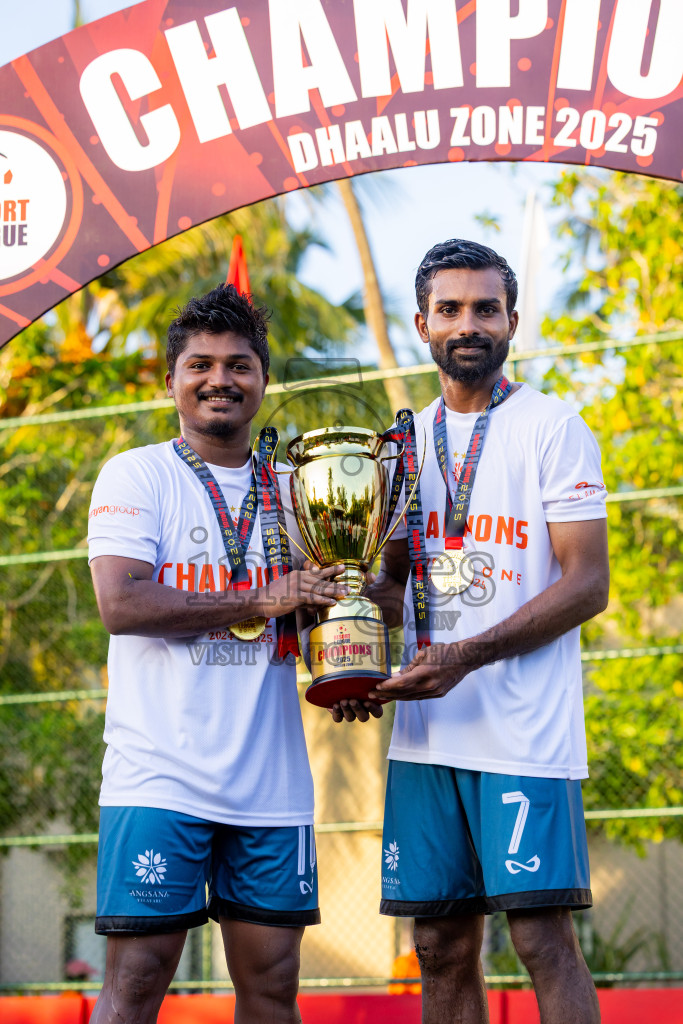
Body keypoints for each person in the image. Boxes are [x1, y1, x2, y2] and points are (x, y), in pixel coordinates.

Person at [333, 240, 608, 1024]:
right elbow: (387, 585)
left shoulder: (553, 426)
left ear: (512, 321)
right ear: (421, 323)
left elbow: (587, 583)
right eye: (449, 309)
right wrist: (352, 655)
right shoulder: (399, 445)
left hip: (521, 729)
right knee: (438, 944)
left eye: (485, 308)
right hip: (427, 733)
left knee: (540, 938)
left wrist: (470, 653)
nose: (468, 324)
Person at [87, 283, 346, 1024]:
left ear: (263, 380)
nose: (219, 380)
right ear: (170, 380)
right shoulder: (137, 475)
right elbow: (123, 604)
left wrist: (348, 671)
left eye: (239, 364)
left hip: (271, 785)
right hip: (158, 776)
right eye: (199, 364)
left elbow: (323, 610)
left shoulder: (298, 491)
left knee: (271, 990)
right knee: (136, 982)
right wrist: (256, 599)